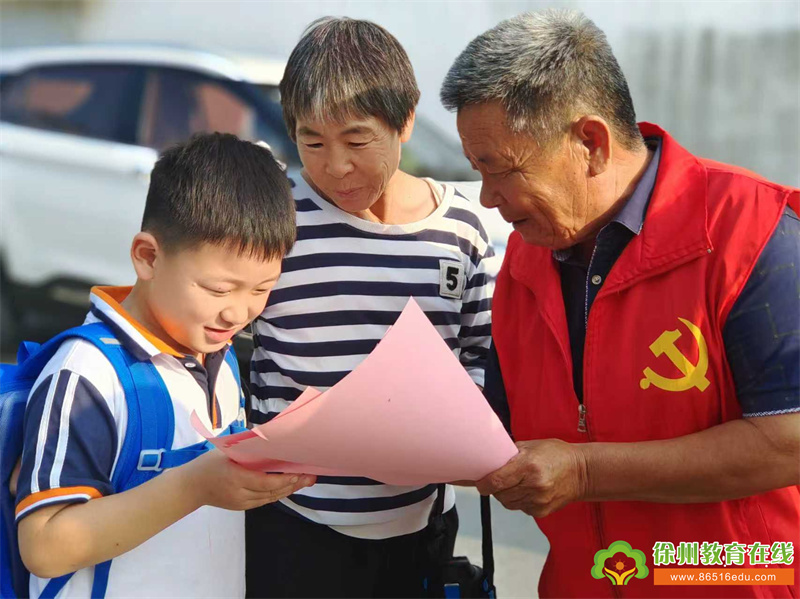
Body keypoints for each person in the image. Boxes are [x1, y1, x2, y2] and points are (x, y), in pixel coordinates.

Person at [440, 10, 800, 599]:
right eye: (477, 169)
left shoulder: (752, 232)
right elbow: (499, 425)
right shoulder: (524, 263)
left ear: (591, 142)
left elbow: (790, 438)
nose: (487, 197)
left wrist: (585, 472)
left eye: (501, 169)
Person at [246, 17, 493, 598]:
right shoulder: (275, 219)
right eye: (312, 143)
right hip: (294, 525)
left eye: (357, 141)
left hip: (421, 529)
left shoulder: (461, 229)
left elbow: (482, 357)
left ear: (405, 120)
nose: (336, 166)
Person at [14, 133, 315, 598]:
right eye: (218, 289)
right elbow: (44, 546)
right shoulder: (87, 375)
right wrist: (194, 487)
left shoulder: (218, 356)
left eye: (261, 289)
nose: (238, 312)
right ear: (148, 257)